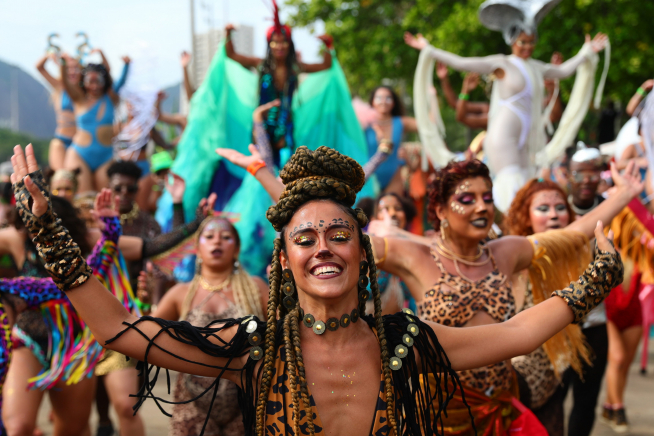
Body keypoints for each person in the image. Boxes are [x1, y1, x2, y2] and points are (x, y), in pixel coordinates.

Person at [10, 143, 624, 436]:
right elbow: (124, 332)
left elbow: (518, 332)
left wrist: (595, 279)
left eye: (338, 234)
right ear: (286, 260)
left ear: (363, 251)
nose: (323, 247)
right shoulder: (257, 348)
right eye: (305, 239)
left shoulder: (407, 340)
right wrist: (53, 241)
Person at [364, 157, 641, 435]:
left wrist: (624, 194)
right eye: (467, 199)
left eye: (487, 197)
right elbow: (354, 244)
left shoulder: (505, 252)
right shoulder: (413, 255)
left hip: (500, 409)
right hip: (441, 416)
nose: (482, 206)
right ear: (440, 210)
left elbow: (569, 236)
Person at [404, 0, 607, 212]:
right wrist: (430, 49)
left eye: (531, 42)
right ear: (512, 41)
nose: (527, 47)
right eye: (522, 42)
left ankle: (524, 229)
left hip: (525, 138)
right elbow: (462, 62)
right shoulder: (502, 63)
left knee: (527, 181)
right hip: (503, 135)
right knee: (509, 182)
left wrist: (586, 52)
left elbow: (564, 71)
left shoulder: (536, 67)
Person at [504, 176, 642, 435]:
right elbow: (576, 232)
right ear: (526, 216)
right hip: (518, 383)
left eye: (559, 208)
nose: (554, 214)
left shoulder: (578, 248)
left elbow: (578, 234)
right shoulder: (514, 253)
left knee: (582, 408)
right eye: (543, 209)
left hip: (556, 374)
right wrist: (624, 193)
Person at [136, 216, 268, 436]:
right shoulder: (181, 293)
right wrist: (144, 302)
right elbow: (147, 334)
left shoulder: (255, 287)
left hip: (249, 398)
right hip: (191, 401)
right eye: (209, 237)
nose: (217, 242)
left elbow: (281, 327)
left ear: (236, 249)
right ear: (197, 248)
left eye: (225, 237)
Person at [61, 56, 130, 192]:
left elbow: (121, 81)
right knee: (83, 200)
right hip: (80, 155)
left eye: (98, 81)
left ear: (104, 82)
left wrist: (126, 65)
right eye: (90, 81)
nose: (94, 86)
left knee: (105, 197)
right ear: (83, 82)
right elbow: (66, 83)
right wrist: (63, 64)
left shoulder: (111, 98)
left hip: (105, 157)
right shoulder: (79, 99)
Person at [364, 86, 418, 191]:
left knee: (394, 206)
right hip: (369, 178)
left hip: (394, 178)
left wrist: (431, 97)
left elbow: (428, 126)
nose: (383, 101)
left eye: (388, 98)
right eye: (379, 98)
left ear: (393, 103)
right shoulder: (364, 123)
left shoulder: (401, 122)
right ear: (372, 103)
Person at [36, 52, 81, 171]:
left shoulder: (87, 91)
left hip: (80, 142)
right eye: (69, 68)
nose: (72, 71)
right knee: (60, 178)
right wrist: (50, 54)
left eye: (76, 68)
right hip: (61, 140)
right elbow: (39, 67)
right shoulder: (59, 87)